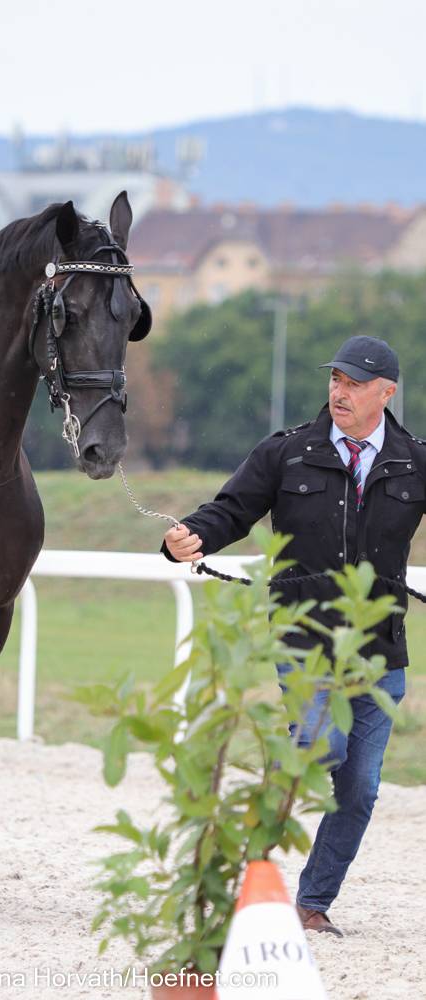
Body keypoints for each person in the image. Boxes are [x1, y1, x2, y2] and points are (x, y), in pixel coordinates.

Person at [162, 335, 420, 938]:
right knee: (319, 748)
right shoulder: (288, 452)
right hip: (304, 641)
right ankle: (243, 874)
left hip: (380, 653)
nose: (340, 392)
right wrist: (189, 537)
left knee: (359, 789)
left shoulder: (415, 460)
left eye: (355, 383)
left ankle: (311, 905)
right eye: (336, 379)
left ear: (386, 392)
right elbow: (230, 510)